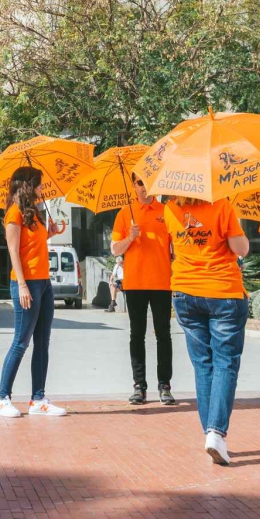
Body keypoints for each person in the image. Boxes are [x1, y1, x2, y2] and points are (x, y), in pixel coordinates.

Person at [167, 194, 249, 466]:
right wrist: (237, 229)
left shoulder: (171, 208)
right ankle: (216, 432)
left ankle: (210, 433)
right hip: (222, 290)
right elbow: (241, 248)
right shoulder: (222, 206)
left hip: (185, 291)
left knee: (203, 365)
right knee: (225, 363)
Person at [0, 166, 68, 418]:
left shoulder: (33, 213)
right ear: (27, 185)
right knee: (21, 342)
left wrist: (51, 233)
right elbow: (13, 251)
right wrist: (23, 285)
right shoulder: (14, 213)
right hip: (27, 284)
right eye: (39, 183)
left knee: (43, 342)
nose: (42, 188)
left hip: (44, 283)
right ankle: (2, 398)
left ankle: (38, 399)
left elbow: (32, 246)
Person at [109, 174, 176, 406]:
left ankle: (165, 385)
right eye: (140, 183)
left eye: (148, 182)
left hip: (162, 283)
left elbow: (177, 246)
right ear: (133, 186)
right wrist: (130, 237)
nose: (144, 187)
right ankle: (139, 386)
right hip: (135, 283)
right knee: (136, 335)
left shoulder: (167, 211)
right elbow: (115, 250)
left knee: (163, 335)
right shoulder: (124, 213)